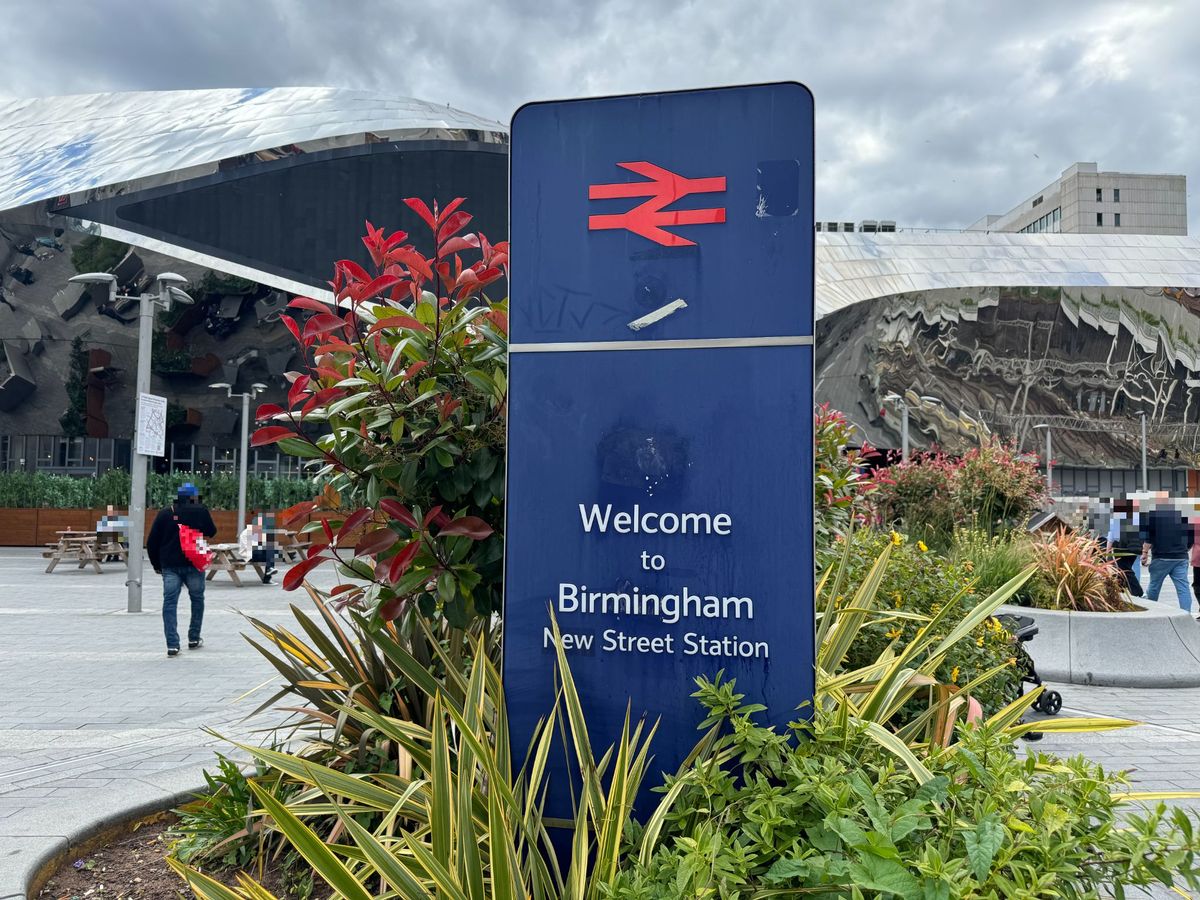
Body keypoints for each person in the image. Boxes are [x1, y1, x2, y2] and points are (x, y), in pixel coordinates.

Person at [147, 483, 217, 657]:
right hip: (194, 563)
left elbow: (151, 542)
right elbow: (212, 531)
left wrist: (157, 565)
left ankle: (172, 644)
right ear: (195, 497)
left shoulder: (165, 513)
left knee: (169, 603)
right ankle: (194, 637)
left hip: (170, 566)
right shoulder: (200, 511)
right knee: (197, 599)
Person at [1141, 494, 1194, 612]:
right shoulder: (1184, 515)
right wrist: (1186, 548)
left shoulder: (1153, 515)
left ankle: (1150, 611)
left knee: (1154, 586)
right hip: (1181, 557)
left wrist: (1144, 553)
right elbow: (1192, 535)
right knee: (1183, 588)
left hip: (1161, 557)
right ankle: (1186, 613)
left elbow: (1149, 536)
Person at [1107, 497, 1144, 598]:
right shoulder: (1137, 517)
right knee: (1122, 570)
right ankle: (1120, 592)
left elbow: (1112, 536)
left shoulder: (1117, 517)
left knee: (1124, 570)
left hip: (1120, 548)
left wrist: (1107, 552)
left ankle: (1137, 591)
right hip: (1134, 548)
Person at [236, 513, 278, 584]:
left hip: (255, 553)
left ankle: (269, 572)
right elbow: (251, 548)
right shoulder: (247, 532)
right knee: (270, 553)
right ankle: (267, 576)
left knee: (271, 553)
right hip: (248, 554)